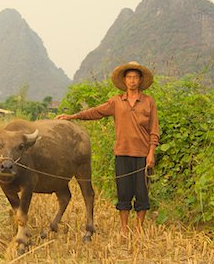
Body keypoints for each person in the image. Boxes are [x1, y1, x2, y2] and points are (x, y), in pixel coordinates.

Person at [56, 61, 159, 238]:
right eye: (129, 77)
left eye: (135, 77)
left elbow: (154, 130)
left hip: (142, 155)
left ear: (140, 80)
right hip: (122, 154)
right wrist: (73, 116)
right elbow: (96, 112)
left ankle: (139, 228)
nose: (132, 80)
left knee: (142, 193)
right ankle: (124, 229)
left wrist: (151, 153)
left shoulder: (148, 102)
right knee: (123, 192)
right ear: (125, 81)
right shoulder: (117, 102)